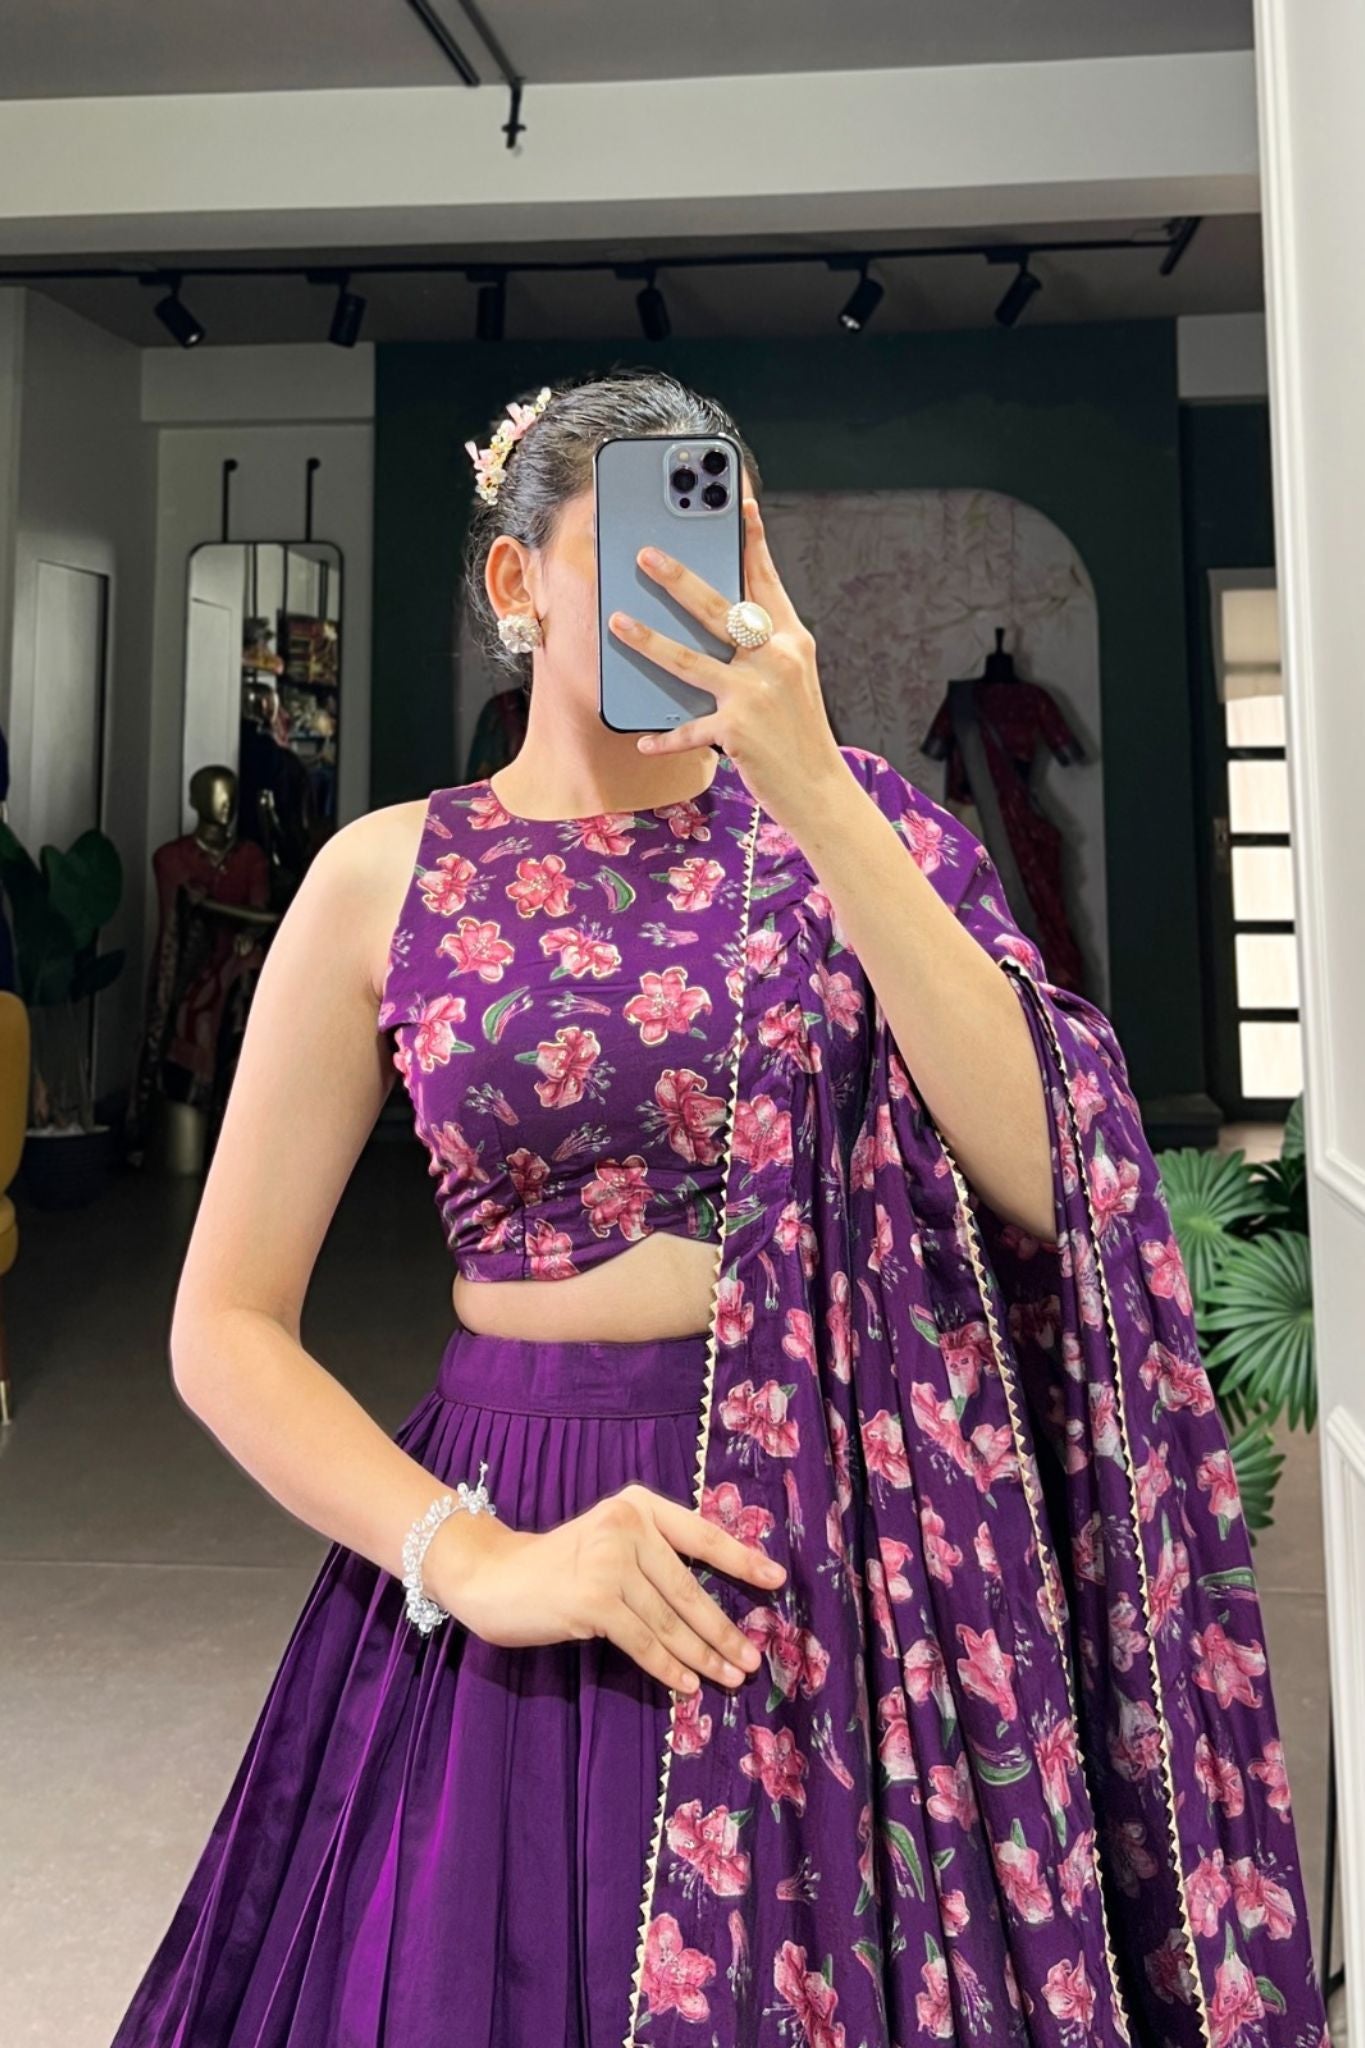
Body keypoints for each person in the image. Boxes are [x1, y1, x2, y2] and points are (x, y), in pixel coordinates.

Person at [110, 370, 1331, 2048]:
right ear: (516, 582)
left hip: (861, 1532)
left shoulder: (862, 826)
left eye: (719, 553)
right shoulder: (389, 875)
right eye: (631, 554)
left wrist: (814, 786)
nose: (681, 596)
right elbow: (224, 1326)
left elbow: (1057, 1175)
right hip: (534, 1509)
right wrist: (473, 1561)